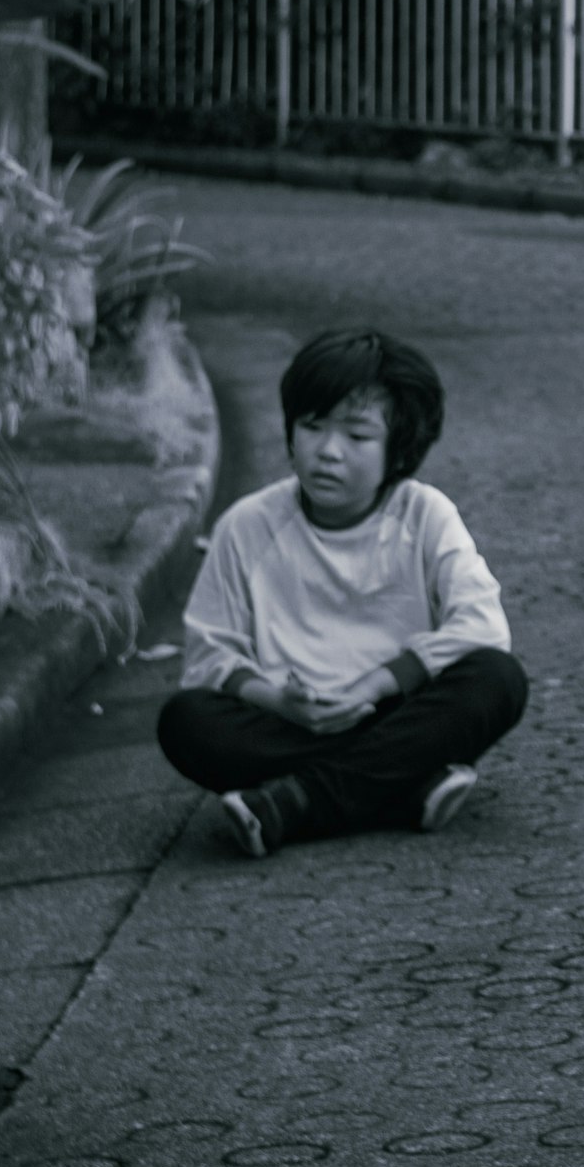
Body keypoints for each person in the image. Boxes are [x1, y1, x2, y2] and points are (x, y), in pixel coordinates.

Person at [158, 328, 530, 856]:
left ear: (397, 449)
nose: (328, 452)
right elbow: (207, 655)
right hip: (292, 721)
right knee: (185, 721)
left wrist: (374, 686)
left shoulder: (425, 515)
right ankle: (406, 786)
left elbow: (483, 627)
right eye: (312, 427)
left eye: (357, 436)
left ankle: (293, 802)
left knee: (498, 678)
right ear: (291, 433)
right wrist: (279, 701)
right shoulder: (246, 526)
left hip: (397, 713)